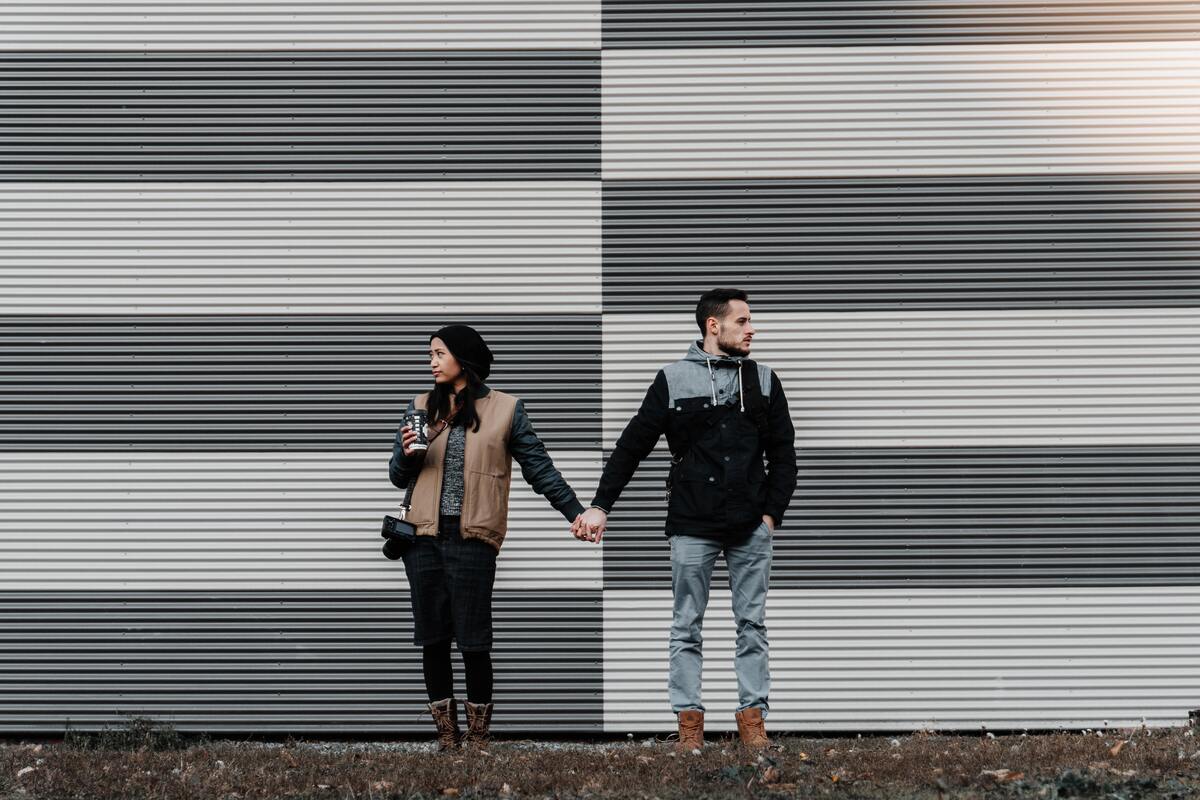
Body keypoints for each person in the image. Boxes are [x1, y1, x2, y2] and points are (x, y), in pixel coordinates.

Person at [573, 288, 797, 752]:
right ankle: (689, 726)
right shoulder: (672, 379)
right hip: (691, 523)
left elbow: (785, 456)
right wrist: (600, 504)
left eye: (750, 320)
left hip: (749, 527)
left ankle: (753, 723)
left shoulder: (765, 380)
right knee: (686, 624)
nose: (751, 328)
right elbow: (632, 446)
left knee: (751, 624)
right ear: (713, 326)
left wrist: (770, 516)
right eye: (742, 321)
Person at [389, 324, 589, 750]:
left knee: (475, 640)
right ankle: (447, 735)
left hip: (474, 539)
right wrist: (406, 456)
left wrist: (575, 511)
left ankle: (478, 737)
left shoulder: (506, 409)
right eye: (430, 354)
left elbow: (540, 470)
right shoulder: (420, 407)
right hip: (422, 540)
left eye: (439, 353)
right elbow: (396, 475)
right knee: (433, 637)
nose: (432, 362)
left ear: (464, 358)